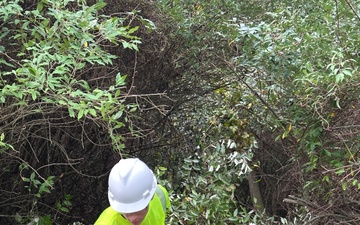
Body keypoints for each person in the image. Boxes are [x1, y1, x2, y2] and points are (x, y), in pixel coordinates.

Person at [94, 158, 171, 225]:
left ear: (152, 196)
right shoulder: (107, 222)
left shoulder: (161, 196)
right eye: (125, 210)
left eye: (137, 209)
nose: (132, 219)